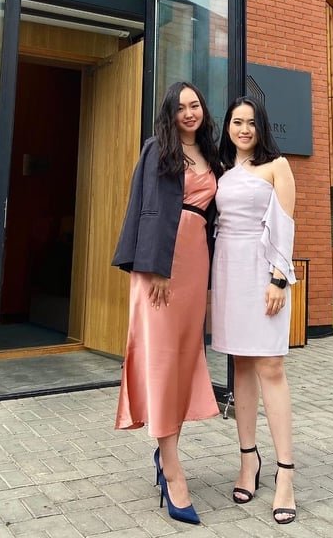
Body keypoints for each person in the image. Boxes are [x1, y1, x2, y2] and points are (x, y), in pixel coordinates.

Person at [113, 81, 222, 525]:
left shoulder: (211, 155)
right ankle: (173, 471)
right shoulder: (157, 148)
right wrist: (156, 267)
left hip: (195, 264)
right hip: (161, 264)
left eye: (195, 105)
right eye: (181, 107)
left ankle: (166, 454)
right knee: (160, 361)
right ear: (170, 113)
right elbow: (146, 208)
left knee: (181, 360)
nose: (189, 113)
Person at [211, 96, 297, 525]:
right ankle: (249, 460)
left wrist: (279, 279)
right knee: (241, 365)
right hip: (229, 272)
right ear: (228, 127)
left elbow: (285, 225)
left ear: (261, 127)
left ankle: (286, 474)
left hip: (263, 273)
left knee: (271, 367)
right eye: (236, 122)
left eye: (251, 122)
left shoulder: (277, 166)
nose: (243, 129)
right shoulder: (222, 172)